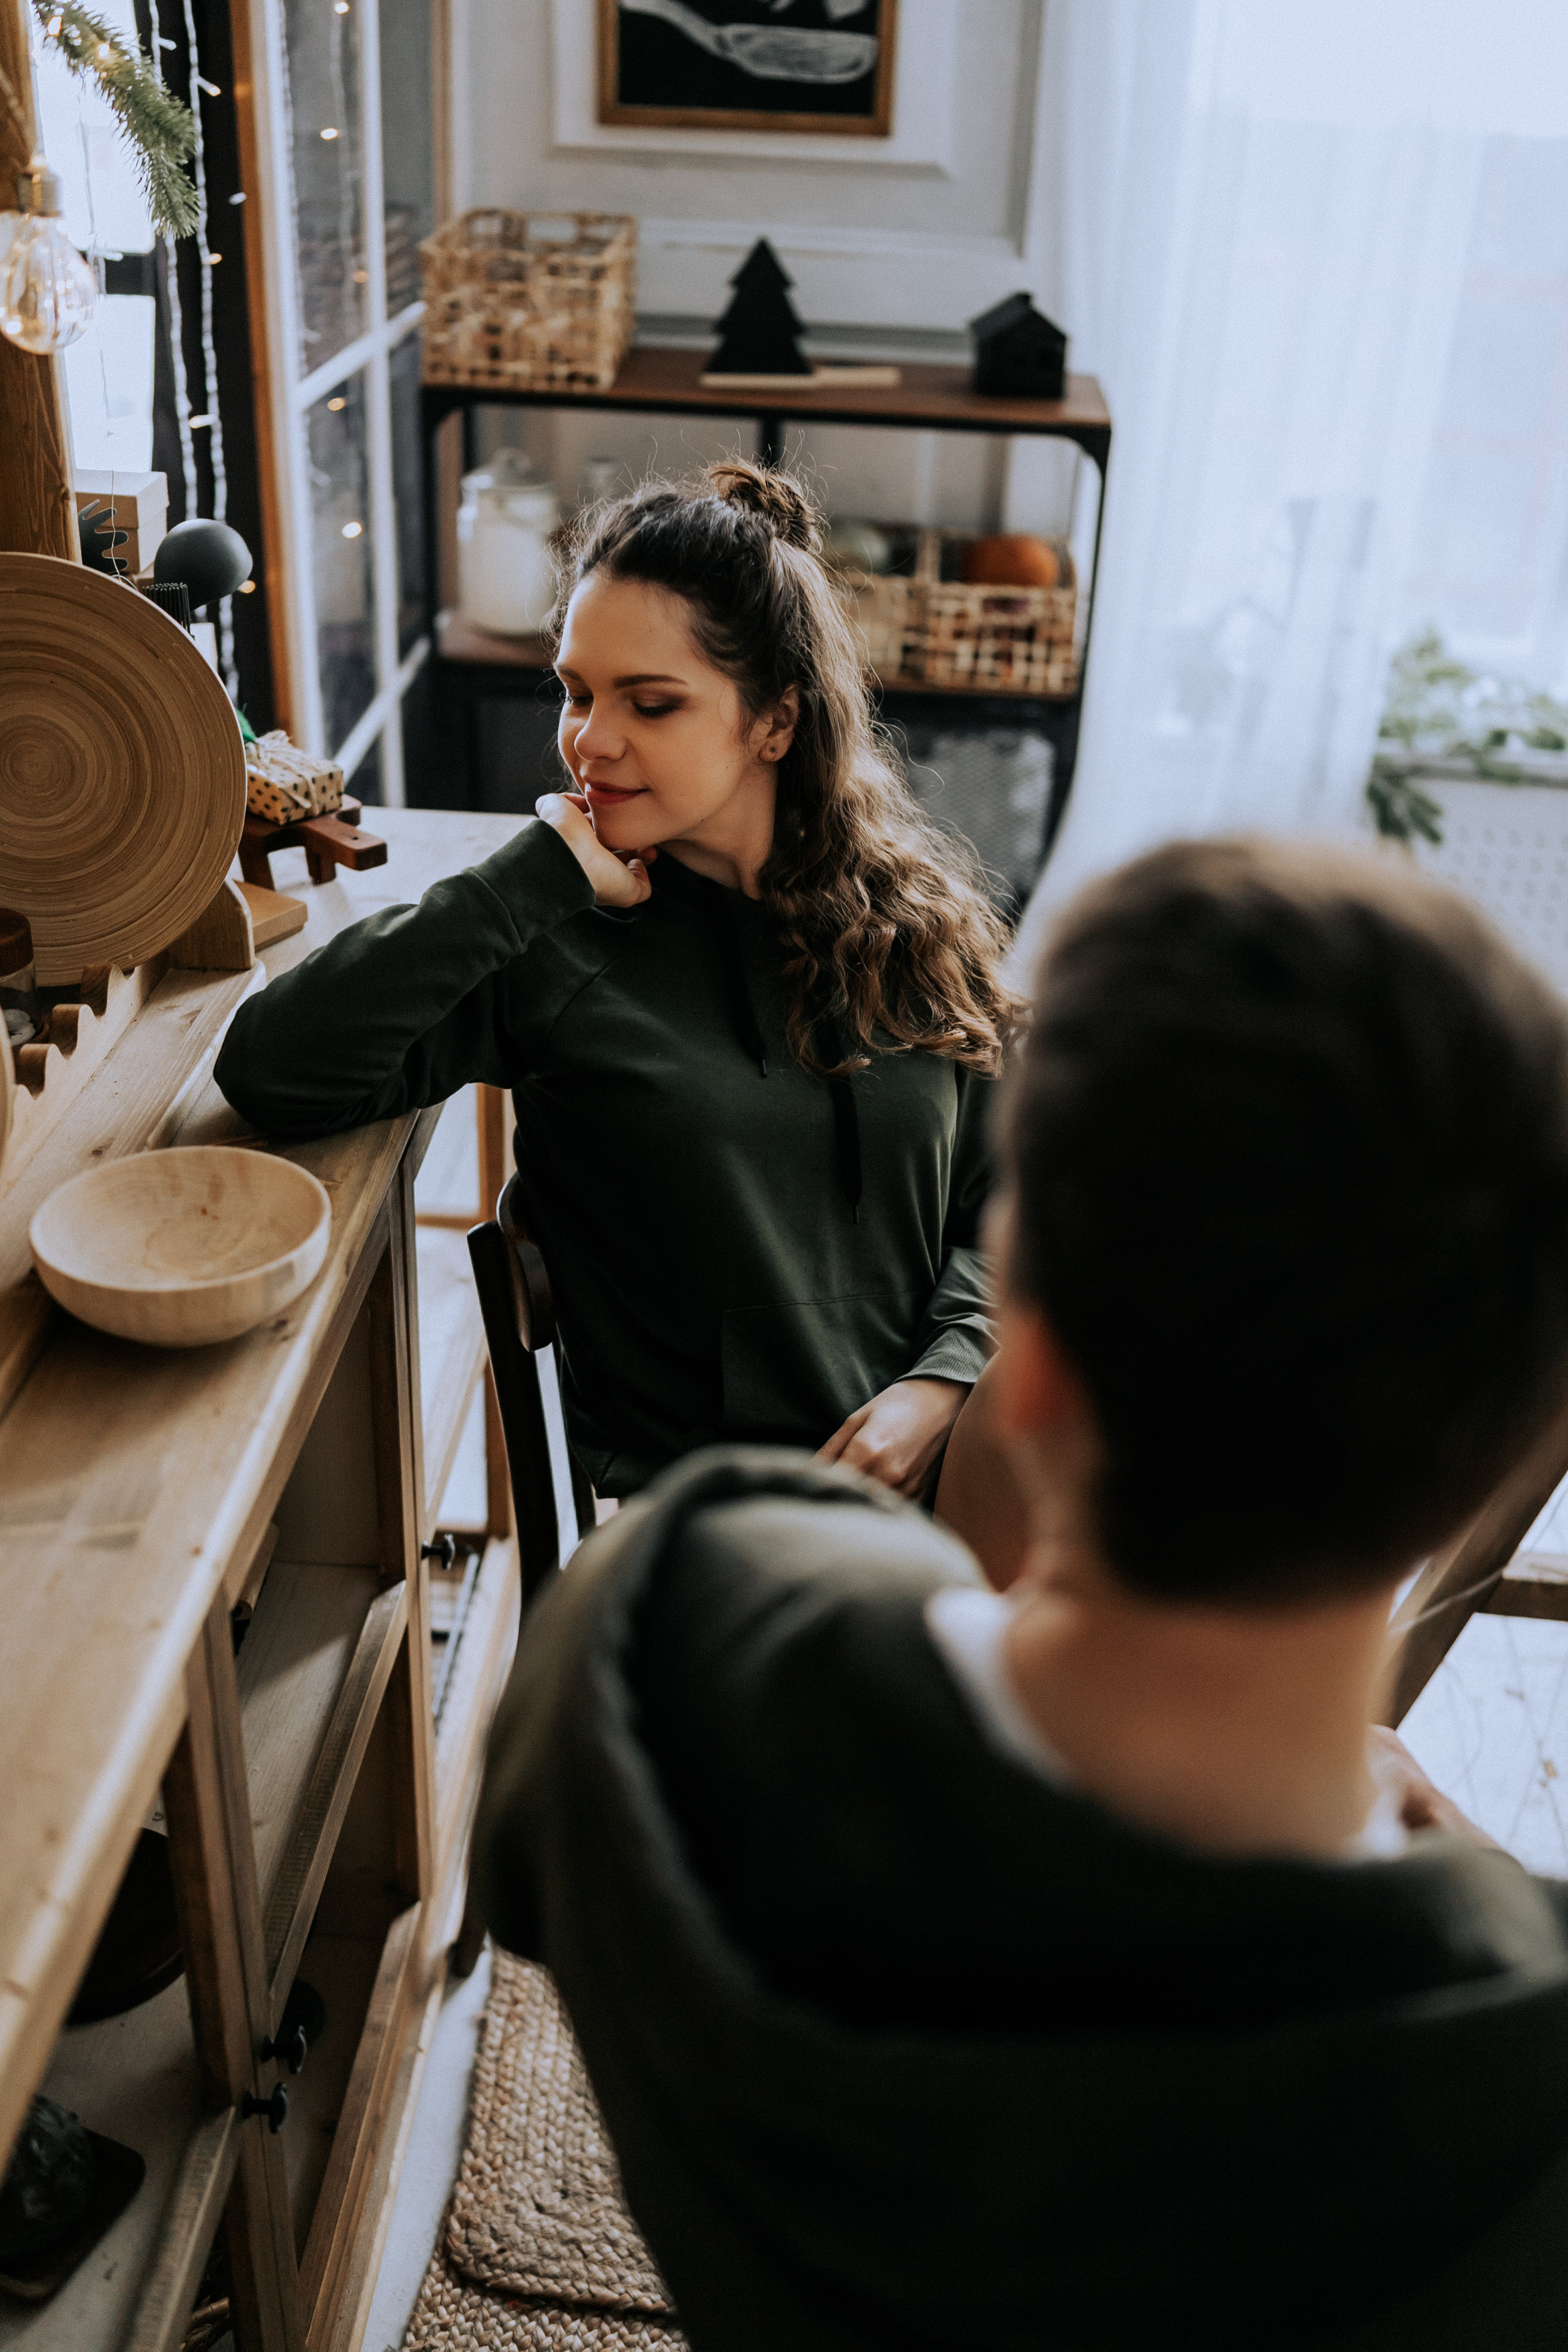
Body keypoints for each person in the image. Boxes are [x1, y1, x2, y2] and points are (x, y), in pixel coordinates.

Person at [473, 837, 1568, 2352]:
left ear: (1027, 1364)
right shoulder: (1511, 2072)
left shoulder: (666, 1617)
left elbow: (523, 1874)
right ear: (1480, 1473)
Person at [214, 462, 1017, 1505]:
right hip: (719, 1532)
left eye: (651, 702)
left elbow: (1018, 1199)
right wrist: (530, 877)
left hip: (954, 1478)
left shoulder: (915, 921)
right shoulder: (556, 944)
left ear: (776, 721)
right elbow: (272, 1066)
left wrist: (944, 1383)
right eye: (578, 692)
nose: (591, 740)